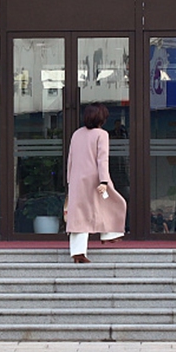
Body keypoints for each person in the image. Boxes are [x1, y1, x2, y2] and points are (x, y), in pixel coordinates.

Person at [64, 104, 127, 264]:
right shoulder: (102, 134)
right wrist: (104, 180)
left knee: (80, 215)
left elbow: (70, 159)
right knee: (113, 203)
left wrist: (70, 180)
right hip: (95, 178)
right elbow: (102, 159)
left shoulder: (77, 134)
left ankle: (78, 252)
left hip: (77, 179)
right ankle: (109, 234)